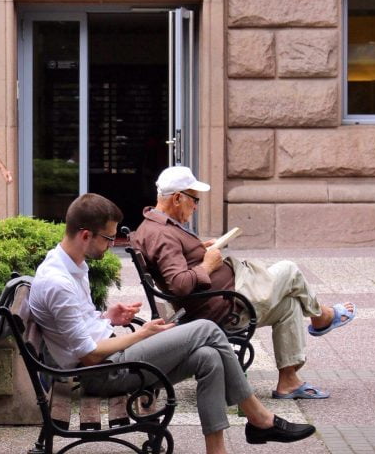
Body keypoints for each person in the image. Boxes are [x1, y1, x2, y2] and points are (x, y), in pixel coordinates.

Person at [29, 192, 317, 454]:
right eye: (108, 239)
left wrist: (107, 318)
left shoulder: (70, 265)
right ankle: (260, 420)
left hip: (106, 360)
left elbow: (78, 329)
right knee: (205, 328)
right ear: (86, 235)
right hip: (100, 373)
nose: (112, 244)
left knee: (209, 357)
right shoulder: (58, 282)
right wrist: (142, 334)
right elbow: (88, 355)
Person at [133, 166, 357, 401]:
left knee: (289, 304)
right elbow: (179, 284)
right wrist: (208, 264)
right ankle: (322, 317)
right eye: (194, 199)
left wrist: (201, 251)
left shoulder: (154, 225)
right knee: (289, 269)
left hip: (226, 296)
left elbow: (177, 267)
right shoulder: (163, 235)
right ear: (178, 198)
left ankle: (289, 382)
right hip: (228, 306)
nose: (196, 206)